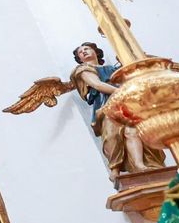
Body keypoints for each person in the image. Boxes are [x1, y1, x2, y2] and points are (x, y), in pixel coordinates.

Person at [70, 41, 165, 180]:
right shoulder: (83, 69)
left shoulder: (113, 68)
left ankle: (140, 165)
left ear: (96, 51)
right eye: (80, 52)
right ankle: (114, 169)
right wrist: (123, 93)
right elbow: (97, 84)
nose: (83, 51)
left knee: (134, 131)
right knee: (112, 135)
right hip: (107, 106)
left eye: (87, 48)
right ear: (79, 59)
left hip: (127, 104)